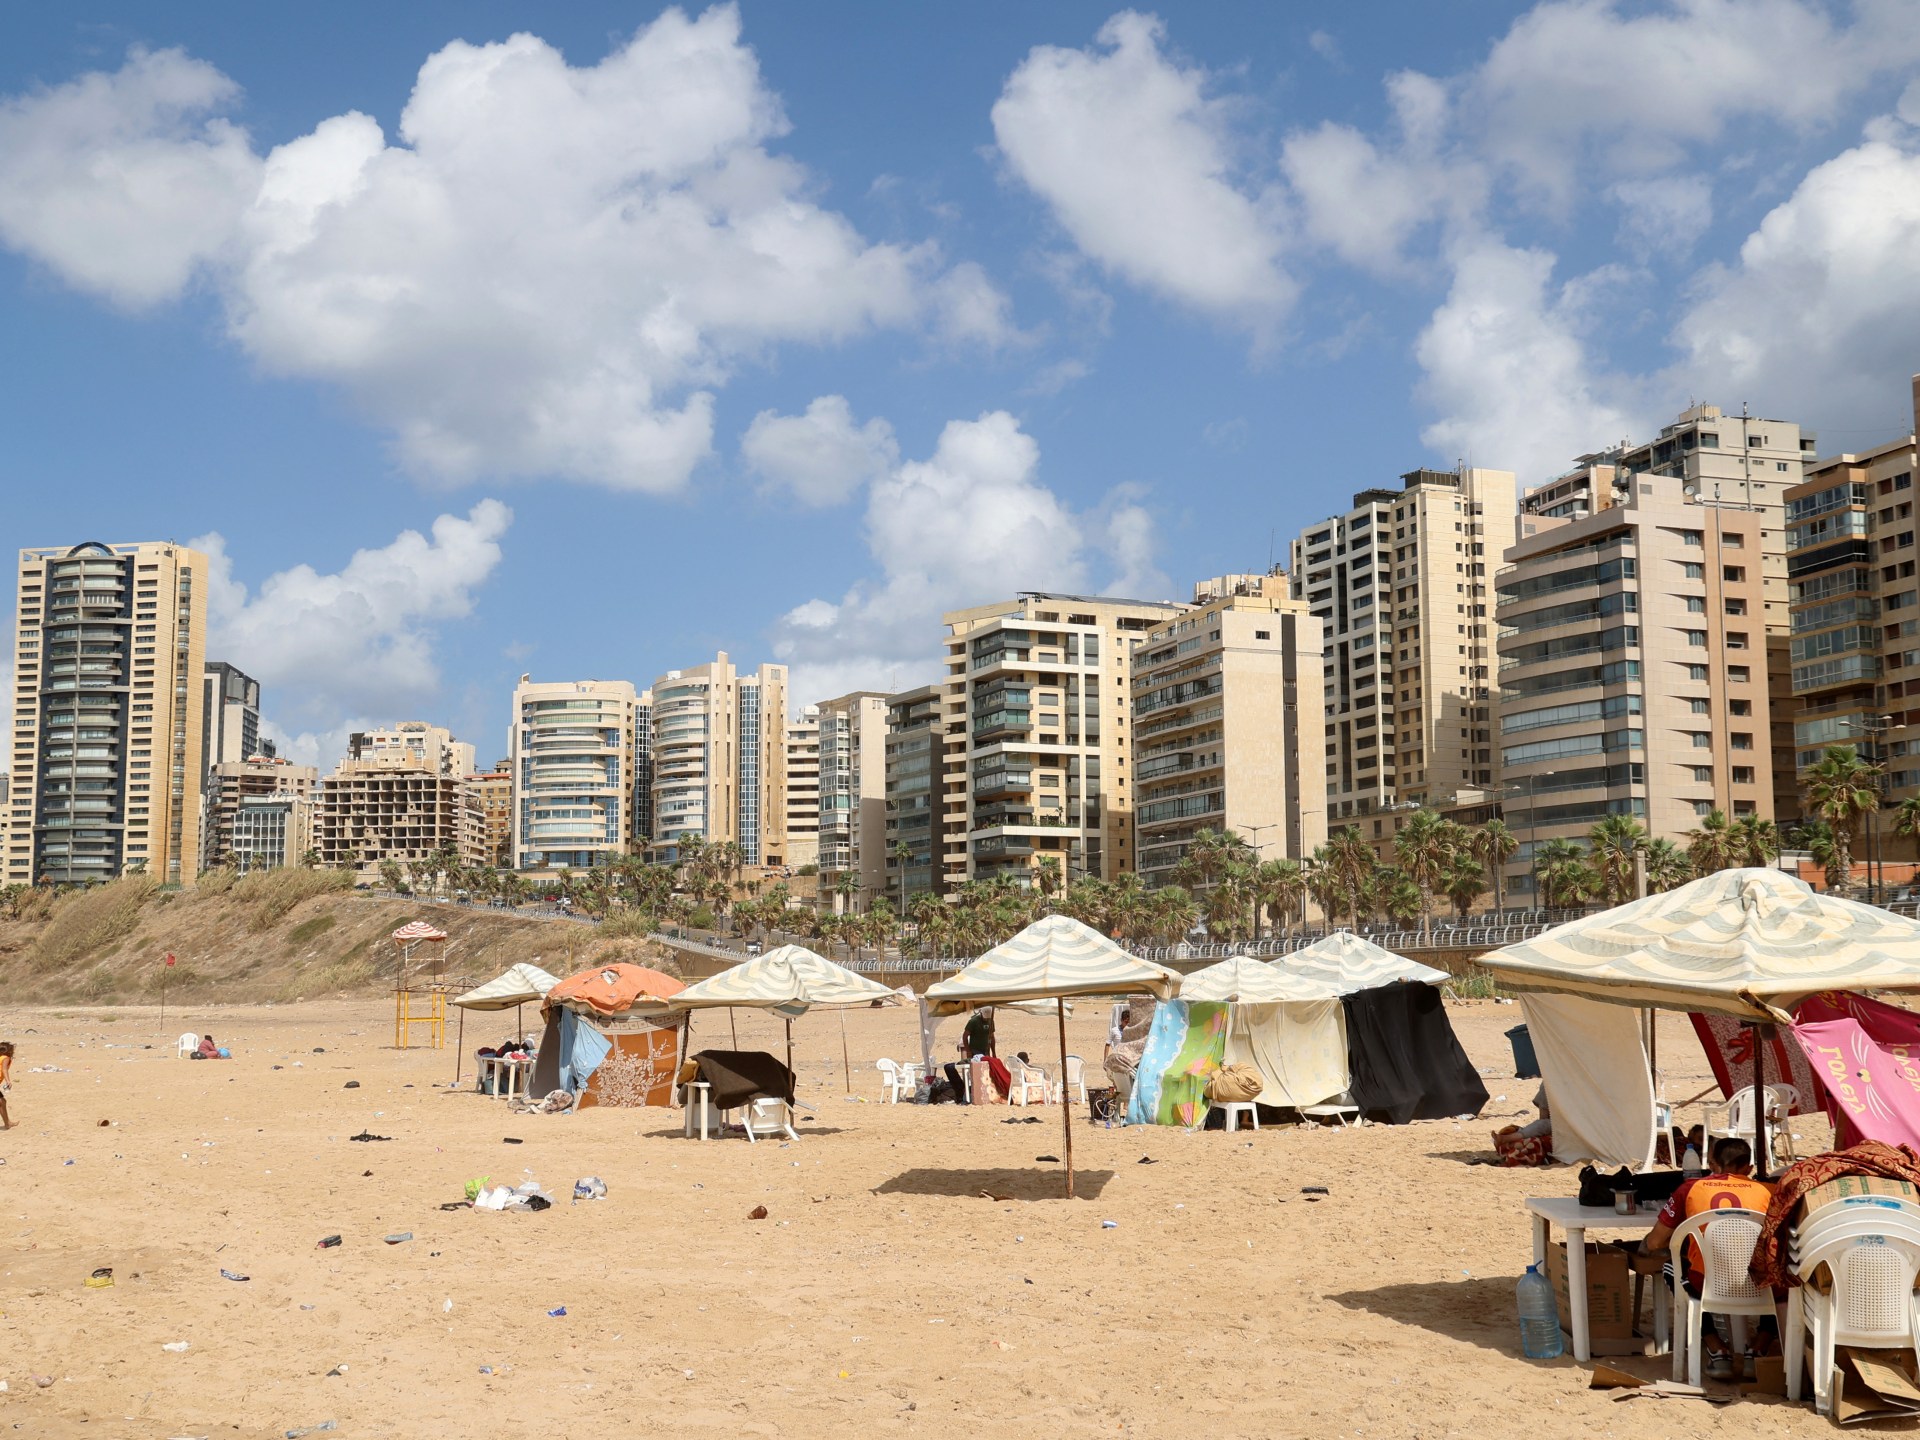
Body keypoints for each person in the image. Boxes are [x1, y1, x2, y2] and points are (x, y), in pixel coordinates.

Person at [1641, 1137, 1777, 1379]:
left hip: (1708, 1283)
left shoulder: (1690, 1188)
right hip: (1759, 1285)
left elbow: (1655, 1242)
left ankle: (1716, 1348)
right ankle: (1759, 1347)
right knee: (1781, 1271)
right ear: (1750, 1168)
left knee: (1674, 1268)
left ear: (1713, 1165)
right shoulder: (1769, 1191)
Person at [0, 1040, 13, 1129]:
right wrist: (8, 1081)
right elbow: (4, 1069)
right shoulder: (5, 1058)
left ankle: (7, 1123)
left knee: (2, 1102)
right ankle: (7, 1123)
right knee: (1, 1102)